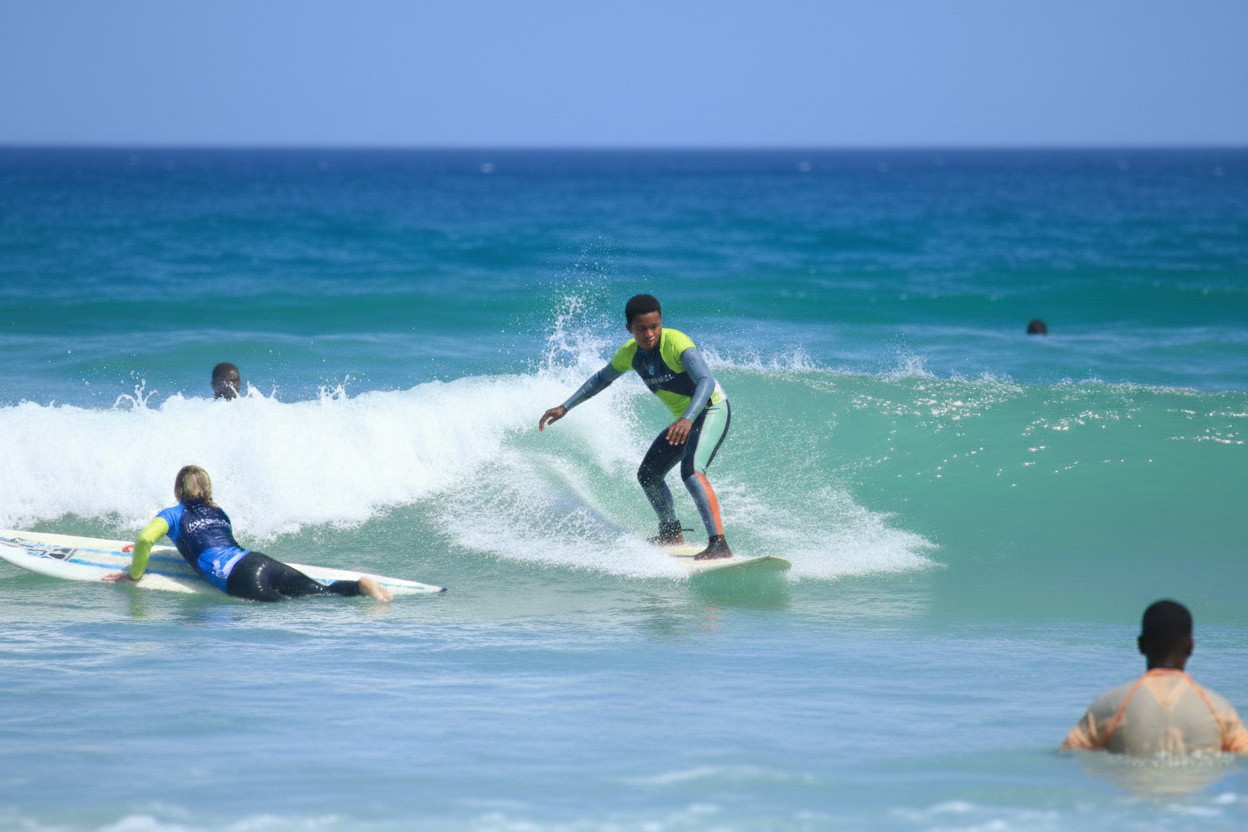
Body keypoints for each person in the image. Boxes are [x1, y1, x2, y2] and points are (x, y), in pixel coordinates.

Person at [539, 294, 733, 560]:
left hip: (710, 410)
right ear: (629, 328)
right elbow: (600, 379)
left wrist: (687, 418)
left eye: (655, 326)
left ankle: (719, 544)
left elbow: (706, 382)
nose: (649, 333)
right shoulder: (629, 354)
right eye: (641, 328)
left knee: (691, 472)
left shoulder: (677, 344)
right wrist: (565, 407)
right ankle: (671, 532)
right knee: (649, 475)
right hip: (684, 420)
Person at [104, 465, 392, 602]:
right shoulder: (219, 512)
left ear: (178, 490)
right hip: (257, 561)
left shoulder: (172, 514)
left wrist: (135, 575)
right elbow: (214, 541)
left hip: (238, 576)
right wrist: (147, 550)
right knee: (320, 592)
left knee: (290, 608)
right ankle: (359, 586)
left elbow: (145, 539)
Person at [1061, 600, 1248, 755]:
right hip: (1195, 799)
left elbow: (1068, 756)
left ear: (1141, 645)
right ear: (1190, 646)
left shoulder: (1111, 705)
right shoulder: (1219, 709)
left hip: (1132, 795)